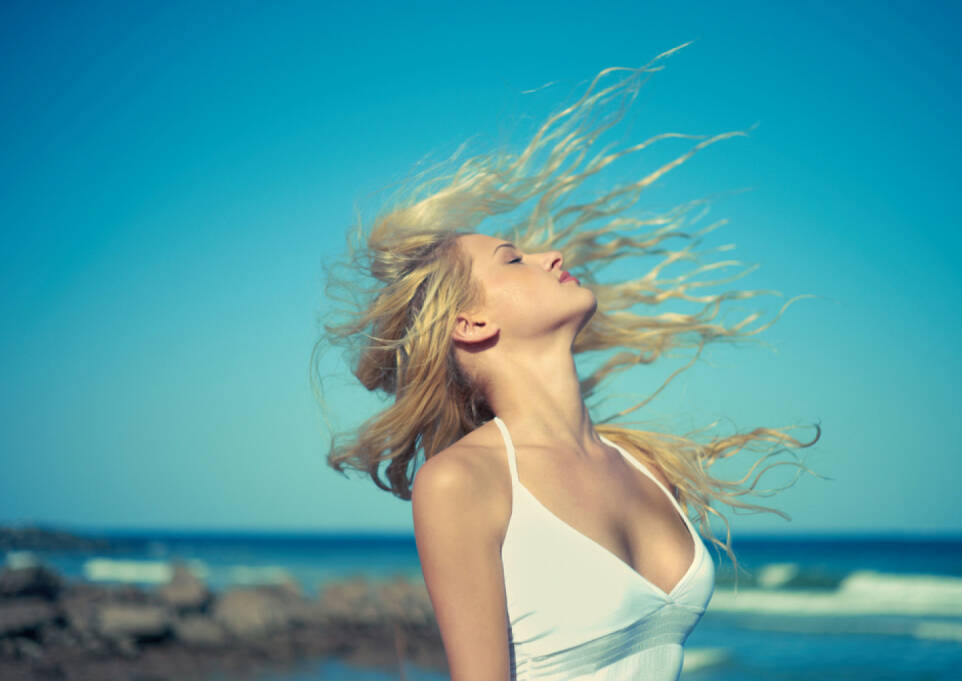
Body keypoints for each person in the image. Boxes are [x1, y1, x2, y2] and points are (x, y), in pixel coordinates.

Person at [311, 43, 823, 681]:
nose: (548, 255)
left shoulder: (646, 466)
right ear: (471, 323)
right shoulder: (462, 484)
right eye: (512, 258)